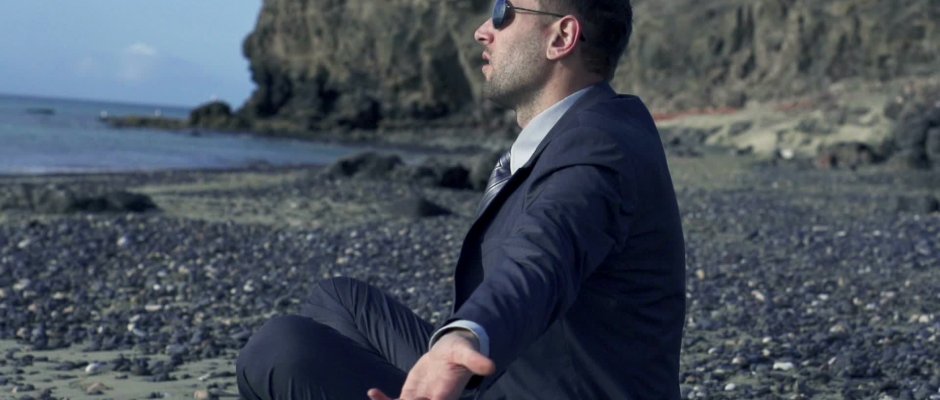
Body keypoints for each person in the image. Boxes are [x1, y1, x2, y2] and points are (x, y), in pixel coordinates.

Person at [236, 0, 686, 398]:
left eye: (503, 12)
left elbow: (544, 256)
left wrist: (466, 336)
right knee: (337, 301)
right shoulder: (590, 130)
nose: (482, 30)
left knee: (279, 349)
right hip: (510, 378)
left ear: (561, 37)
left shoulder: (598, 148)